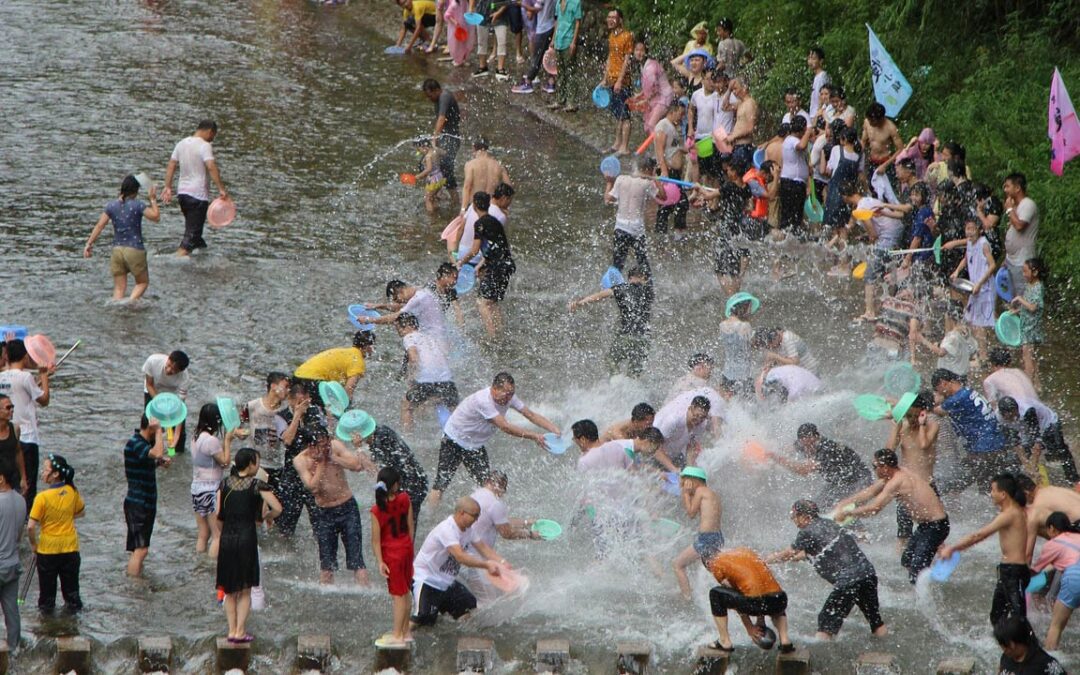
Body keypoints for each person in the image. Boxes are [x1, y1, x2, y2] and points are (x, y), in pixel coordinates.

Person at [766, 500, 886, 640]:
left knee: (826, 622)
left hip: (848, 580)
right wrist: (789, 559)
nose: (794, 521)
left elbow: (789, 552)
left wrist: (766, 561)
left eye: (795, 517)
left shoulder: (807, 531)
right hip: (867, 574)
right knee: (875, 620)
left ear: (805, 517)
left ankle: (821, 654)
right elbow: (812, 552)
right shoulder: (830, 524)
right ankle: (886, 644)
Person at [431, 372, 558, 504]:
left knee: (488, 485)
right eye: (506, 393)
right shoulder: (483, 400)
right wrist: (535, 436)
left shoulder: (510, 397)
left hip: (474, 445)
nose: (509, 398)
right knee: (441, 483)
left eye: (512, 393)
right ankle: (431, 517)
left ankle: (490, 513)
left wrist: (553, 429)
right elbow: (505, 427)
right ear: (494, 389)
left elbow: (530, 414)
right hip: (453, 439)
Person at [834, 449, 949, 583]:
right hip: (926, 526)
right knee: (907, 561)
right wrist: (844, 503)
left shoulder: (897, 482)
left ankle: (927, 599)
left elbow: (874, 508)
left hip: (936, 526)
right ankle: (927, 582)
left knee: (917, 570)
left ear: (885, 467)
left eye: (874, 466)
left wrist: (848, 513)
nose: (874, 470)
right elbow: (870, 492)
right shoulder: (896, 473)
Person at [938, 473, 1030, 625]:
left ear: (1003, 494)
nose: (991, 494)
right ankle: (1007, 647)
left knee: (1019, 619)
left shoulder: (1010, 514)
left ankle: (1030, 648)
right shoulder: (1014, 511)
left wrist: (952, 548)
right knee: (996, 616)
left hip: (1014, 572)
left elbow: (978, 535)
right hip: (1008, 571)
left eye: (993, 490)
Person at [215, 448, 281, 644]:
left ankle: (230, 630)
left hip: (227, 539)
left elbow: (219, 516)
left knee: (228, 590)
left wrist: (225, 531)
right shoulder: (257, 485)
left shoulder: (224, 484)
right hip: (247, 538)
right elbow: (278, 508)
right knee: (245, 590)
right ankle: (240, 632)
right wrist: (267, 517)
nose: (258, 465)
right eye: (257, 462)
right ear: (251, 464)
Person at [293, 428, 370, 585]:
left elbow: (357, 466)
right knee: (326, 565)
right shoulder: (301, 460)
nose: (326, 447)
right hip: (323, 513)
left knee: (357, 560)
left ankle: (365, 591)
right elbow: (312, 487)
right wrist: (321, 463)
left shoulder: (334, 447)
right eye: (321, 445)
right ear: (311, 446)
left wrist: (333, 457)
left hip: (348, 507)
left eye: (327, 443)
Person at [411, 496, 502, 627]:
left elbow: (483, 548)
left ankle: (458, 635)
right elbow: (461, 556)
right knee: (422, 618)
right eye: (474, 516)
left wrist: (503, 563)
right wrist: (486, 565)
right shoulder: (447, 529)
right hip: (427, 579)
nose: (476, 520)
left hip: (446, 581)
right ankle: (398, 636)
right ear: (461, 513)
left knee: (467, 606)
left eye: (478, 516)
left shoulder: (469, 531)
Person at [931, 369, 1019, 491]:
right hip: (995, 443)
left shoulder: (956, 399)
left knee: (956, 484)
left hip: (985, 449)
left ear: (943, 383)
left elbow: (935, 410)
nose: (938, 393)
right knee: (993, 485)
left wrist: (934, 399)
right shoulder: (967, 391)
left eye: (937, 389)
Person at [342, 410, 429, 527]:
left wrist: (358, 448)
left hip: (412, 485)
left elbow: (374, 471)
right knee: (402, 526)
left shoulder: (380, 439)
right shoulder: (379, 432)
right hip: (414, 481)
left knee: (404, 529)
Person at [462, 471, 536, 603]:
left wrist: (527, 522)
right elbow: (507, 533)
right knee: (488, 604)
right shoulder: (495, 503)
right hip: (477, 560)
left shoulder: (475, 495)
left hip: (461, 556)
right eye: (504, 488)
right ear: (499, 486)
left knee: (474, 598)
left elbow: (501, 521)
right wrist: (530, 534)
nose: (503, 492)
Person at [83, 174, 160, 302]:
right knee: (142, 283)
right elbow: (156, 217)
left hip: (117, 251)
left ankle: (118, 310)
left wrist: (89, 244)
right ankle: (130, 303)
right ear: (135, 191)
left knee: (119, 289)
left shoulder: (111, 206)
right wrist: (153, 199)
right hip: (135, 249)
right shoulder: (138, 205)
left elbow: (100, 225)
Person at [568, 266, 653, 377]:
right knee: (634, 375)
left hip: (626, 336)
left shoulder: (620, 288)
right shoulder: (648, 293)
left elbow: (598, 296)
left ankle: (616, 383)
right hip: (644, 340)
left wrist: (578, 303)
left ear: (630, 278)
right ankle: (629, 387)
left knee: (610, 360)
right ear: (644, 279)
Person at [704, 546, 792, 654]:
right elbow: (759, 586)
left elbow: (736, 595)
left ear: (708, 563)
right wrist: (760, 620)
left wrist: (749, 627)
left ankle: (724, 641)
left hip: (754, 602)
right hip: (780, 600)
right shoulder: (745, 552)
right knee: (773, 593)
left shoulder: (716, 563)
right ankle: (785, 639)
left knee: (715, 593)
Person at [161, 120, 229, 257]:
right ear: (210, 131)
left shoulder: (181, 144)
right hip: (198, 196)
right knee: (190, 238)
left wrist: (168, 187)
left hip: (182, 195)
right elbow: (211, 166)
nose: (212, 140)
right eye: (213, 136)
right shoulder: (205, 146)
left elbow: (171, 165)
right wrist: (221, 189)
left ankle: (202, 257)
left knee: (195, 235)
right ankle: (175, 261)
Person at [27, 454, 83, 612]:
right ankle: (72, 628)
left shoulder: (42, 498)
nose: (42, 473)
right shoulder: (72, 491)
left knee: (46, 598)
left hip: (47, 550)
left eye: (45, 470)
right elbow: (80, 512)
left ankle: (47, 629)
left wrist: (33, 545)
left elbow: (30, 526)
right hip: (70, 548)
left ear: (55, 474)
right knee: (72, 596)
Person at [768, 423, 873, 508]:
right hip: (839, 482)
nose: (808, 449)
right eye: (804, 445)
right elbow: (787, 449)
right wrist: (767, 453)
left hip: (859, 481)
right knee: (818, 507)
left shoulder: (826, 449)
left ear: (816, 437)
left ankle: (859, 530)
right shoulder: (804, 443)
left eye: (810, 444)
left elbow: (804, 470)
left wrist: (778, 459)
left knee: (841, 508)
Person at [458, 192, 517, 338]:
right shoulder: (495, 221)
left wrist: (460, 262)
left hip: (497, 266)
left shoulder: (479, 224)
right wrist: (480, 266)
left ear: (475, 205)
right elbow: (497, 247)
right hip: (507, 265)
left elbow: (474, 251)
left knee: (482, 302)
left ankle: (492, 338)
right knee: (493, 301)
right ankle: (500, 333)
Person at [0, 339, 50, 508]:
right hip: (28, 438)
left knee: (10, 481)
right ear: (25, 356)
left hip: (8, 435)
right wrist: (44, 375)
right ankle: (28, 517)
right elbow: (44, 400)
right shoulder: (26, 377)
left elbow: (20, 391)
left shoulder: (2, 376)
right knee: (28, 485)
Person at [887, 392, 941, 546]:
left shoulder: (933, 425)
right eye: (907, 416)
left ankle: (936, 558)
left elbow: (924, 446)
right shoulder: (903, 428)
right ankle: (901, 561)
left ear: (922, 412)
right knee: (903, 531)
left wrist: (922, 425)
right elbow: (889, 452)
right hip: (906, 487)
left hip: (926, 484)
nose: (910, 420)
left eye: (913, 415)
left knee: (935, 527)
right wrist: (895, 427)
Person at [370, 467, 415, 647]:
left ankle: (397, 636)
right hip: (406, 549)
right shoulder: (405, 499)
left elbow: (375, 540)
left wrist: (380, 561)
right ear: (395, 485)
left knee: (398, 595)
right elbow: (411, 526)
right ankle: (406, 632)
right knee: (406, 592)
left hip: (392, 555)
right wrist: (409, 548)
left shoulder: (376, 510)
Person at [273, 383, 325, 537]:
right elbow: (287, 440)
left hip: (313, 473)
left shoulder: (315, 412)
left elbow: (324, 436)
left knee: (320, 522)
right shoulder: (280, 416)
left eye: (306, 401)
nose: (303, 405)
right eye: (299, 401)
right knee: (286, 525)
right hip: (292, 474)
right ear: (290, 400)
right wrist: (296, 416)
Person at [395, 313, 458, 429]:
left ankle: (408, 436)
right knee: (454, 411)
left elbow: (414, 358)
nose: (399, 333)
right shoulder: (429, 337)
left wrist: (412, 379)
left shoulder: (409, 337)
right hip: (447, 379)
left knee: (406, 405)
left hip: (427, 379)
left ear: (409, 326)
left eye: (399, 329)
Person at [999, 397, 1080, 487]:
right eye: (1010, 417)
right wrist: (1026, 463)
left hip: (1048, 422)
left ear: (1017, 409)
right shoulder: (999, 418)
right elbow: (1015, 443)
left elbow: (1037, 441)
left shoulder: (1028, 411)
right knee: (1018, 457)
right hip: (1025, 427)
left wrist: (1033, 465)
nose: (1014, 418)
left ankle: (1074, 480)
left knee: (1060, 451)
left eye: (1015, 414)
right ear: (1003, 415)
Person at [124, 416, 169, 577]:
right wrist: (158, 432)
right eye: (158, 430)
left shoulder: (141, 444)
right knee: (141, 550)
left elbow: (146, 461)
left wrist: (158, 463)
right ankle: (135, 586)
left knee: (138, 548)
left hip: (142, 503)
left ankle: (136, 578)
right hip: (139, 504)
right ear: (150, 428)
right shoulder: (136, 443)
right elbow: (157, 452)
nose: (160, 432)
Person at [191, 403, 235, 557]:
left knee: (203, 533)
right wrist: (228, 441)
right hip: (211, 489)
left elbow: (213, 452)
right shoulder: (211, 441)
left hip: (196, 489)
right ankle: (211, 568)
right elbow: (224, 462)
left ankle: (199, 563)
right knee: (217, 535)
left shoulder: (195, 437)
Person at [672, 466, 723, 600]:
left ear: (692, 481)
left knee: (678, 565)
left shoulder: (700, 491)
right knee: (716, 571)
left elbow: (691, 513)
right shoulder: (711, 493)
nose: (683, 486)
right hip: (716, 537)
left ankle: (687, 598)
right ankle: (736, 589)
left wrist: (686, 494)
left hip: (706, 538)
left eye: (684, 483)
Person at [951, 217, 997, 362]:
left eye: (972, 228)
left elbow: (992, 265)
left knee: (979, 323)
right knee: (971, 320)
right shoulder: (970, 243)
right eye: (967, 228)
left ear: (980, 230)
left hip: (985, 288)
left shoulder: (984, 244)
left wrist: (979, 284)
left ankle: (982, 357)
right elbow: (966, 259)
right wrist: (957, 271)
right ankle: (979, 352)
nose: (969, 232)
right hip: (974, 287)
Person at [1032, 512, 1080, 650]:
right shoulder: (1077, 536)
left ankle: (1050, 664)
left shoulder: (1053, 544)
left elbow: (1037, 571)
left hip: (1075, 577)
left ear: (1051, 528)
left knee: (1056, 626)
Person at [604, 157, 658, 273]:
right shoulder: (647, 183)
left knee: (617, 264)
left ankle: (613, 288)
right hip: (636, 229)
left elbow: (607, 199)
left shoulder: (620, 179)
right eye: (654, 170)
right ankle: (648, 289)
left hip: (620, 227)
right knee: (643, 262)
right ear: (648, 170)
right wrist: (655, 178)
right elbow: (663, 196)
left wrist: (609, 182)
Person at [293, 331, 375, 400]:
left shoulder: (343, 352)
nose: (373, 350)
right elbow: (348, 390)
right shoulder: (358, 361)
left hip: (298, 375)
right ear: (366, 347)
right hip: (313, 380)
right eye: (373, 346)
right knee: (328, 411)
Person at [1016, 475, 1080, 561]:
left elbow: (1028, 555)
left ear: (1026, 494)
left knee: (1032, 523)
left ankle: (1060, 555)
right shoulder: (1050, 489)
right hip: (1077, 524)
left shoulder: (1038, 505)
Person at [1009, 257, 1047, 391]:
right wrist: (1017, 311)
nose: (1023, 275)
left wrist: (1020, 299)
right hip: (1026, 326)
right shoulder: (1029, 285)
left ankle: (1028, 386)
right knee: (1032, 357)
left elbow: (1032, 307)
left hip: (1032, 328)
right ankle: (1037, 385)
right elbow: (1027, 307)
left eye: (1025, 272)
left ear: (1035, 272)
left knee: (1027, 357)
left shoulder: (1038, 287)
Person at [422, 79, 461, 206]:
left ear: (437, 90)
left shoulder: (444, 96)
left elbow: (441, 118)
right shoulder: (438, 99)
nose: (429, 98)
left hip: (451, 139)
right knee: (427, 163)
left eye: (430, 95)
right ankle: (440, 195)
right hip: (445, 139)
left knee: (446, 167)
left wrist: (434, 138)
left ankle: (454, 200)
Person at [142, 350, 190, 453]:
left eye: (174, 370)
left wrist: (176, 437)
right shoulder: (153, 361)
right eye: (169, 365)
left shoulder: (184, 378)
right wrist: (159, 404)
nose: (169, 370)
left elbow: (180, 410)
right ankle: (149, 450)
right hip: (153, 390)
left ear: (180, 371)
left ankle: (176, 453)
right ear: (168, 358)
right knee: (151, 422)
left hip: (172, 395)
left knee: (178, 431)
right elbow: (149, 385)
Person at [0, 456, 25, 649]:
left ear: (2, 479)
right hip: (13, 563)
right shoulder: (21, 500)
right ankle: (14, 651)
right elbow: (19, 534)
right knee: (11, 611)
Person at [653, 103, 689, 238]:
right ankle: (677, 233)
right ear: (672, 111)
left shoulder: (673, 127)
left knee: (669, 203)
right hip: (667, 171)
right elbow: (659, 149)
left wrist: (685, 149)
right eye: (680, 113)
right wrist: (664, 170)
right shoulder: (663, 125)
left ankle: (663, 233)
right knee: (679, 202)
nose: (682, 117)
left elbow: (674, 148)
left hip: (674, 172)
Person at [1002, 172, 1039, 298]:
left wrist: (1009, 209)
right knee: (1011, 299)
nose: (1005, 189)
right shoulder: (1015, 206)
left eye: (1007, 186)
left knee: (1022, 300)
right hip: (1011, 260)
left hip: (1022, 262)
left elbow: (1019, 226)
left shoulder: (1028, 204)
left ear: (1017, 188)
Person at [602, 9, 634, 155]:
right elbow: (610, 57)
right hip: (611, 80)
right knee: (617, 114)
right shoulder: (611, 36)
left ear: (620, 20)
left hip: (623, 82)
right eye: (608, 17)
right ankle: (617, 143)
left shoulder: (627, 36)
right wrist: (605, 78)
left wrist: (620, 81)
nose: (610, 20)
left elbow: (627, 61)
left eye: (613, 17)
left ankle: (625, 147)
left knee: (625, 114)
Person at [244, 371, 289, 469]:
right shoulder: (252, 406)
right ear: (273, 386)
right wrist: (241, 433)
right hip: (253, 463)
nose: (288, 390)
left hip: (276, 464)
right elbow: (237, 428)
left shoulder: (286, 411)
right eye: (285, 386)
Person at [994, 615, 1066, 674]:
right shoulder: (1006, 657)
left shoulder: (1044, 663)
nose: (1002, 649)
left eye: (1002, 645)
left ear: (1012, 644)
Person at [511, 0, 555, 94]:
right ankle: (551, 83)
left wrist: (521, 4)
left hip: (542, 28)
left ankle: (528, 83)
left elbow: (536, 9)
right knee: (548, 56)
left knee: (536, 57)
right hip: (551, 26)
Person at [718, 292, 758, 397]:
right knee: (747, 406)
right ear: (743, 308)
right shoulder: (744, 325)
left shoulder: (722, 325)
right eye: (748, 307)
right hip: (743, 374)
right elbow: (752, 344)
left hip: (727, 372)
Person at [458, 138, 512, 215]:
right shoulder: (499, 165)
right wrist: (504, 207)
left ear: (474, 148)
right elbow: (509, 188)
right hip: (493, 207)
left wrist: (463, 209)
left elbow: (467, 187)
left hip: (476, 207)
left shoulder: (470, 165)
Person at [551, 0, 583, 112]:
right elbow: (557, 21)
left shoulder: (576, 2)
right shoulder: (558, 3)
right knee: (560, 72)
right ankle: (560, 99)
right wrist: (553, 39)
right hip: (559, 41)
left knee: (571, 72)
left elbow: (578, 23)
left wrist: (574, 42)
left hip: (569, 41)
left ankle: (571, 102)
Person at [861, 103, 903, 180]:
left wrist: (885, 165)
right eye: (869, 120)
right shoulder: (867, 122)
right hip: (871, 161)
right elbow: (863, 142)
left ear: (881, 118)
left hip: (886, 162)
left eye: (872, 121)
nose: (870, 123)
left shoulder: (891, 128)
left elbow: (900, 149)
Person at [753, 327, 819, 373]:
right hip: (799, 372)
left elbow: (794, 362)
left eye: (768, 346)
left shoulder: (787, 339)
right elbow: (783, 358)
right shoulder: (776, 340)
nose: (770, 348)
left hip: (809, 370)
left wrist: (775, 356)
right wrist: (769, 365)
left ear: (774, 339)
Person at [0, 395, 27, 497]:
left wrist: (23, 478)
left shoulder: (15, 429)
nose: (12, 410)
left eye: (12, 407)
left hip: (13, 480)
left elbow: (18, 452)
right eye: (8, 407)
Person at [807, 47, 829, 120]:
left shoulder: (822, 76)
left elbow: (822, 97)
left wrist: (818, 114)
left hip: (819, 114)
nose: (810, 61)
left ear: (821, 61)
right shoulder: (816, 77)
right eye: (809, 58)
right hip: (813, 114)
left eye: (813, 59)